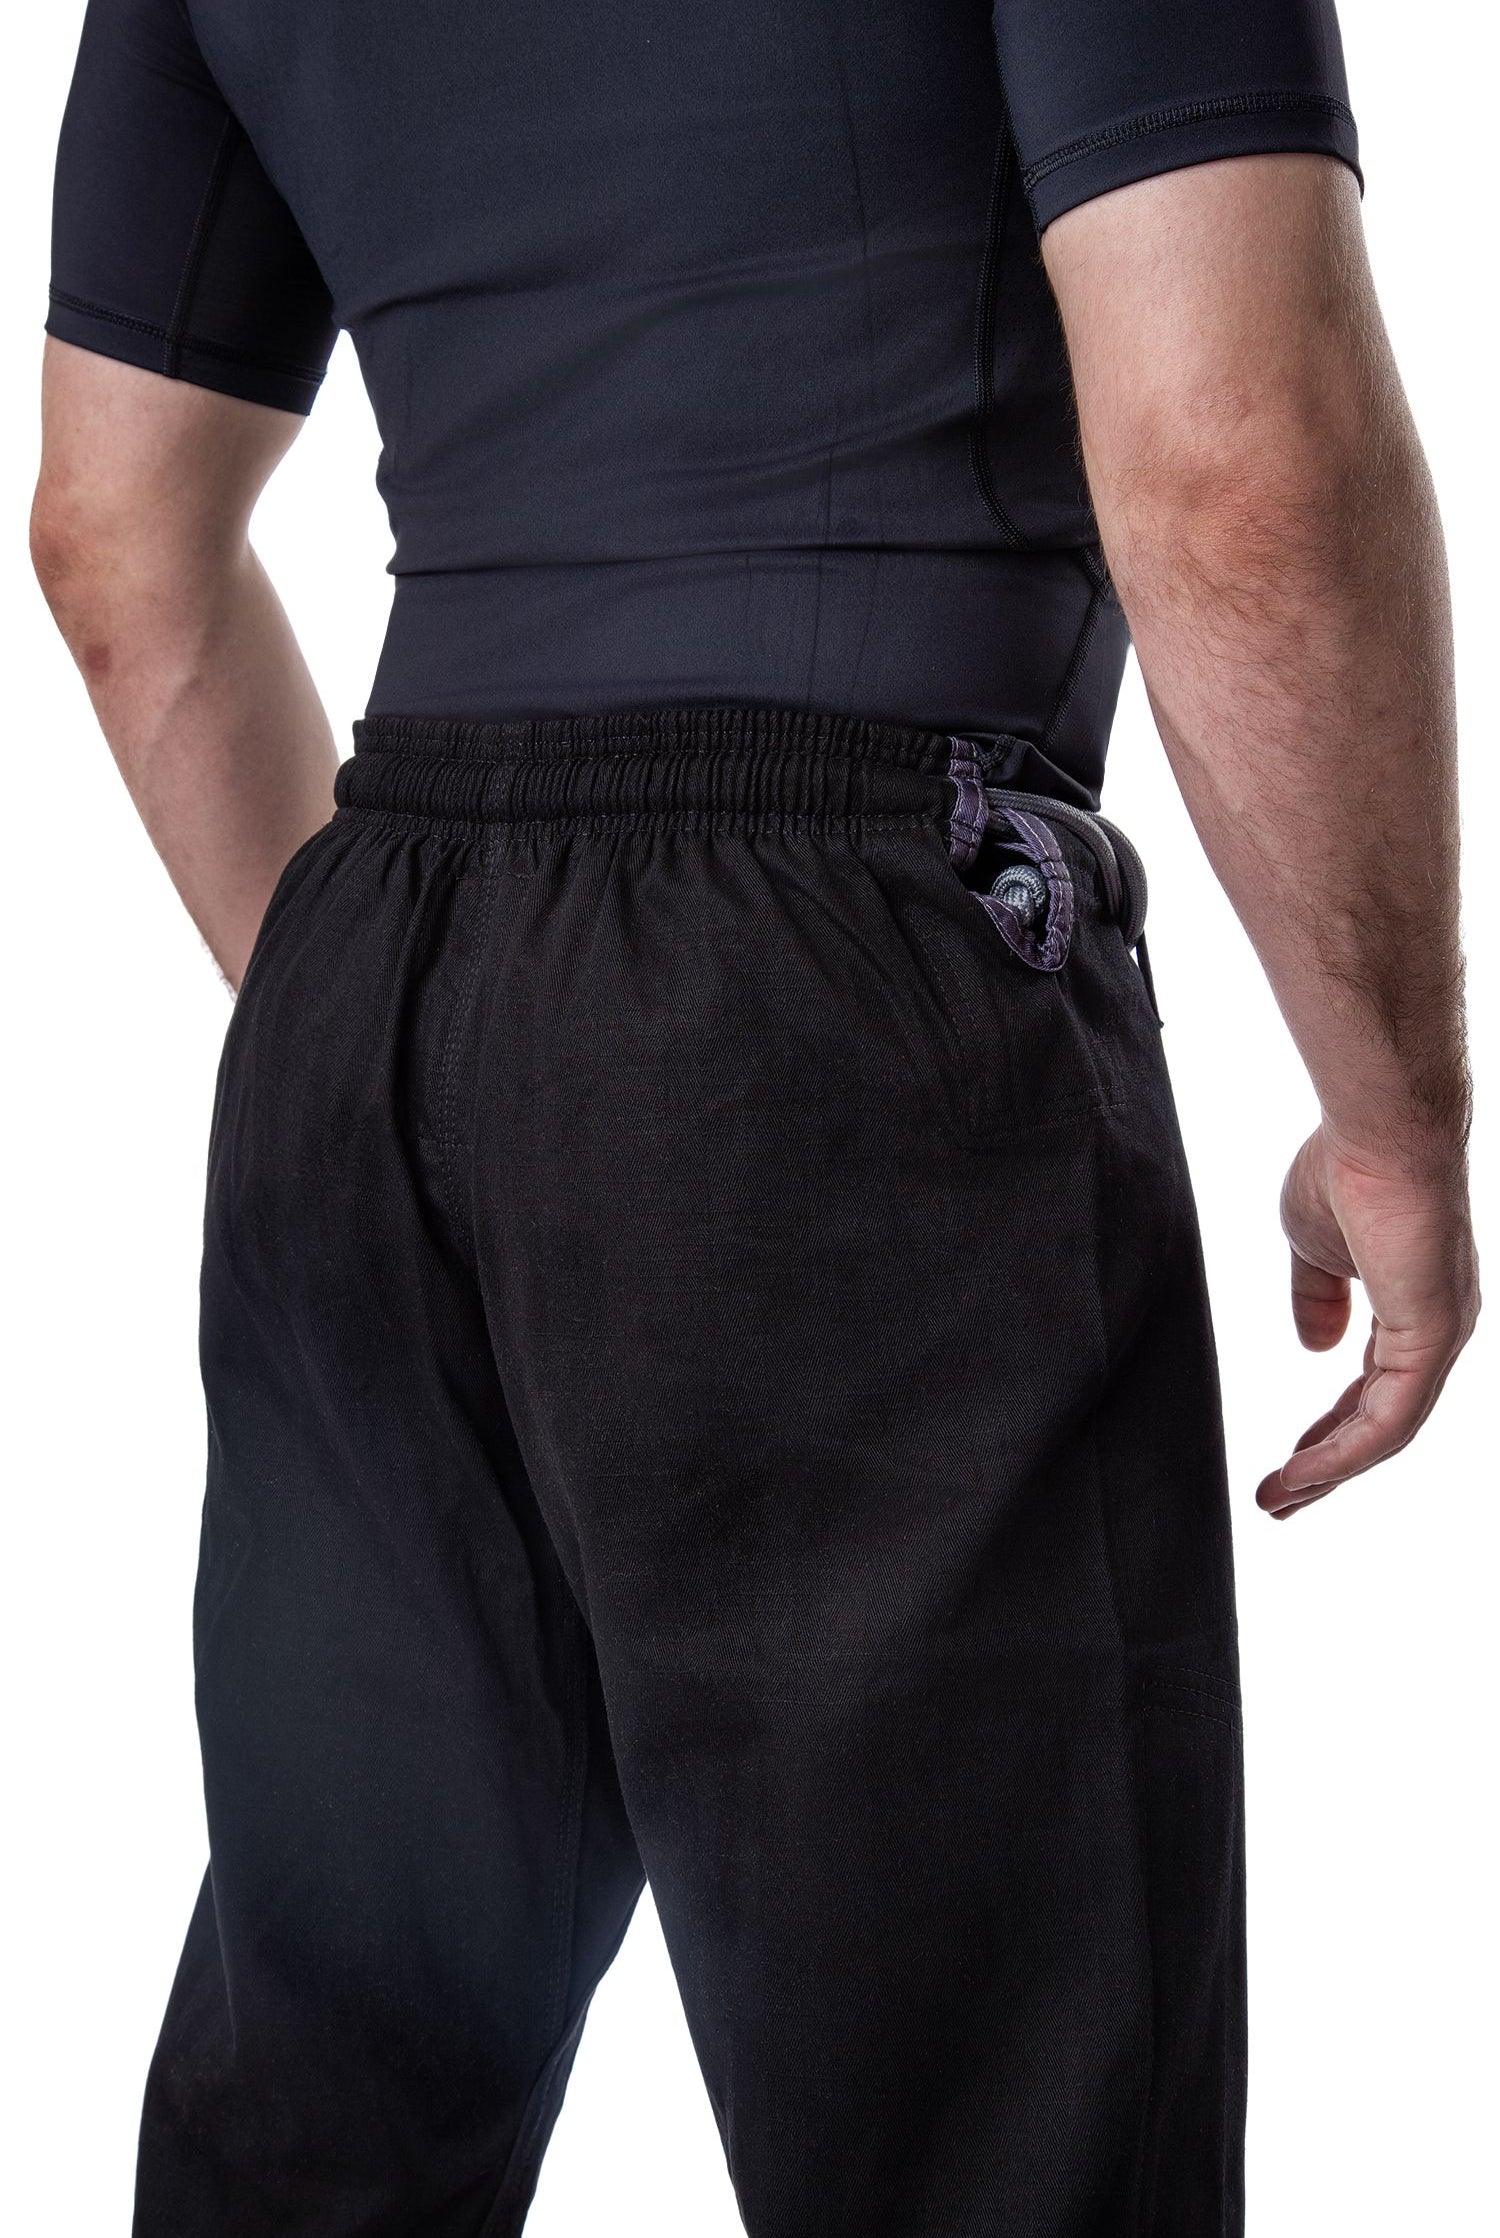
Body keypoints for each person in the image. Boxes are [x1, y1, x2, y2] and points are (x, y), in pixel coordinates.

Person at [30, 0, 1478, 2231]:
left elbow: (115, 545)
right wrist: (1395, 1113)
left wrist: (438, 1053)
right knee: (998, 2148)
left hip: (373, 964)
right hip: (841, 973)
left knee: (330, 2113)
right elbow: (1237, 461)